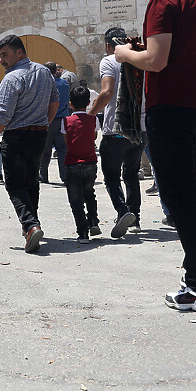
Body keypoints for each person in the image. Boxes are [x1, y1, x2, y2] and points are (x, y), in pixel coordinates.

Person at [115, 0, 196, 312]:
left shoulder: (162, 0)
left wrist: (124, 53)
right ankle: (194, 273)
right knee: (186, 192)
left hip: (173, 111)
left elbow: (158, 62)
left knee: (179, 197)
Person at [0, 35, 59, 253]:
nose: (2, 60)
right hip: (39, 135)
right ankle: (32, 224)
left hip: (16, 137)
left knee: (14, 185)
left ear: (19, 52)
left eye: (5, 55)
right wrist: (42, 124)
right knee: (31, 182)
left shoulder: (11, 79)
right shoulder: (44, 72)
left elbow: (2, 117)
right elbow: (54, 101)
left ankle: (31, 225)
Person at [89, 27, 146, 238]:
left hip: (116, 129)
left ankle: (123, 212)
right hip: (141, 129)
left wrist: (92, 113)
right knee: (131, 175)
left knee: (111, 176)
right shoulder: (140, 59)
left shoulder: (109, 61)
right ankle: (135, 220)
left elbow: (106, 92)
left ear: (108, 45)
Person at [62, 86, 100, 244]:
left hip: (72, 163)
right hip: (90, 161)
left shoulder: (66, 121)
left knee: (75, 199)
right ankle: (93, 221)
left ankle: (82, 232)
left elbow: (66, 142)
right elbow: (94, 137)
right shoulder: (94, 119)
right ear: (89, 103)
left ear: (70, 104)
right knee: (89, 193)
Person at [39, 61, 70, 184]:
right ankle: (64, 175)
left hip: (48, 119)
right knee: (62, 149)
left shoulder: (43, 84)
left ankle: (43, 175)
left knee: (45, 149)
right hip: (62, 118)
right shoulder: (64, 83)